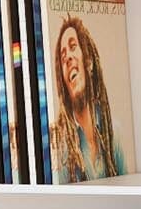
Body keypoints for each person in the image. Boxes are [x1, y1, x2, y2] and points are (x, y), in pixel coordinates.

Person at [49, 14, 127, 181]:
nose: (68, 57)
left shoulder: (114, 132)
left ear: (89, 62)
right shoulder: (60, 148)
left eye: (73, 46)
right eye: (63, 57)